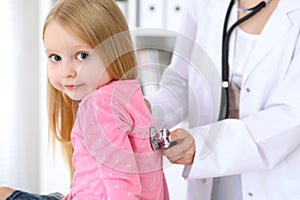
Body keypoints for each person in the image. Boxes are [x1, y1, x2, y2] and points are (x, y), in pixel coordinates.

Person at [0, 0, 169, 199]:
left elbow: (122, 183)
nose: (66, 72)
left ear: (114, 52)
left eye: (81, 55)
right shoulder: (130, 95)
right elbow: (156, 182)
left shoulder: (99, 105)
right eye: (55, 58)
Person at [146, 0, 300, 199]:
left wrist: (203, 146)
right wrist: (147, 112)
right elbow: (181, 81)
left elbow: (290, 117)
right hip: (208, 182)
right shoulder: (201, 5)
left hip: (273, 181)